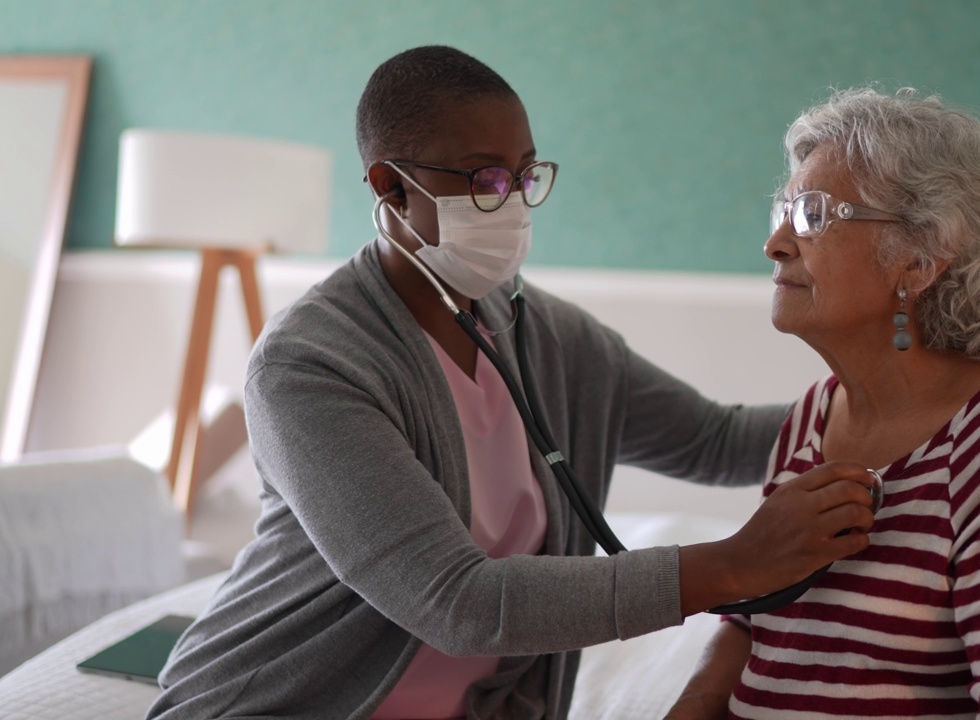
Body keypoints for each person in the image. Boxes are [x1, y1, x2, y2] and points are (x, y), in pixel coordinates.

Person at [146, 47, 878, 720]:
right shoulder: (310, 365)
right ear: (391, 188)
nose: (515, 202)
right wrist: (728, 566)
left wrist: (903, 394)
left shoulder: (548, 337)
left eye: (525, 175)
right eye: (483, 179)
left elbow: (717, 440)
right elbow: (456, 602)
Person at [665, 87, 980, 719]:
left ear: (918, 261)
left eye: (812, 214)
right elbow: (760, 621)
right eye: (783, 209)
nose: (776, 242)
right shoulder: (816, 413)